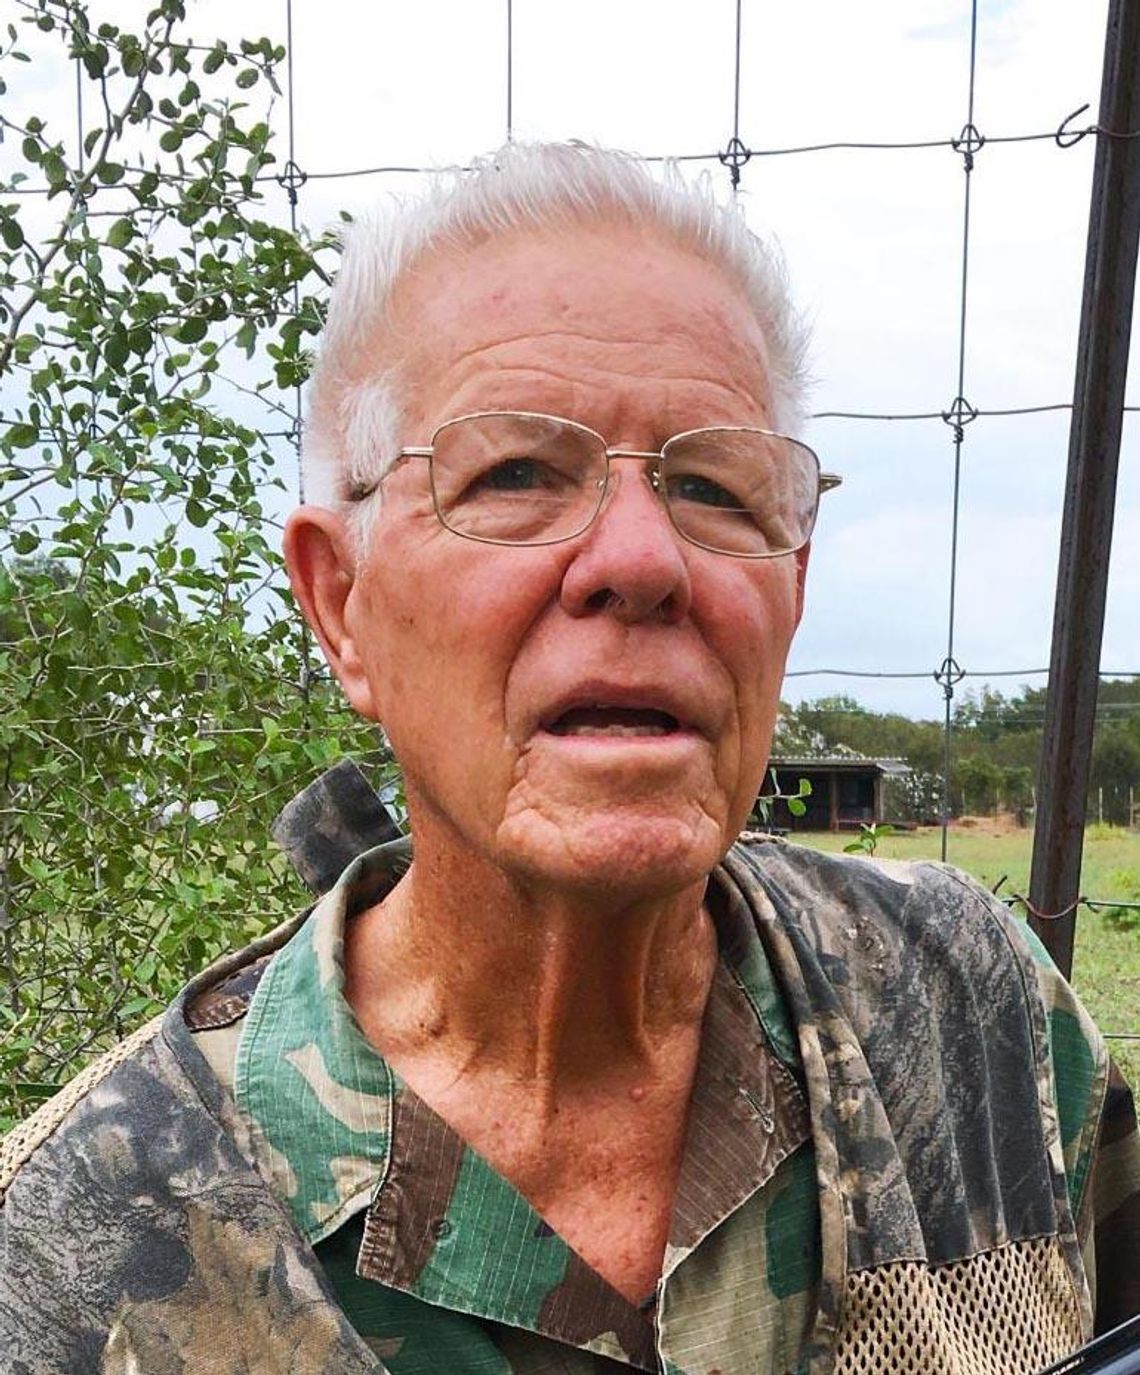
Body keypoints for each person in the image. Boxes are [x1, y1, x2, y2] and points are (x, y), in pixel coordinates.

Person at [2, 141, 1138, 1375]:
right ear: (342, 606)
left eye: (714, 486)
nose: (642, 559)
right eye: (519, 473)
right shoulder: (77, 1247)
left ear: (793, 587)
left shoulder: (970, 1004)